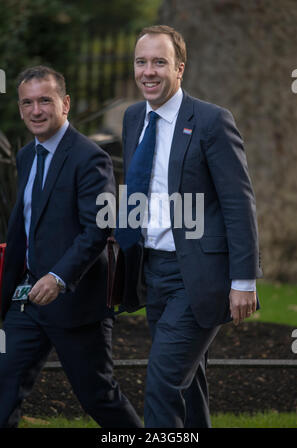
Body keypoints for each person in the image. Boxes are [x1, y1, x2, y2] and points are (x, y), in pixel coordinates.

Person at [115, 25, 262, 428]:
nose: (148, 71)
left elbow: (238, 202)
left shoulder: (212, 121)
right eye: (141, 62)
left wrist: (244, 281)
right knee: (188, 380)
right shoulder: (132, 118)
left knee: (162, 383)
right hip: (152, 271)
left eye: (159, 62)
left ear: (180, 68)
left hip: (198, 275)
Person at [0, 65, 142, 428]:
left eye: (45, 100)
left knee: (99, 396)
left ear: (65, 104)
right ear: (19, 108)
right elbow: (22, 231)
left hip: (75, 301)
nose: (36, 110)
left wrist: (59, 277)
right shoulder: (26, 156)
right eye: (27, 102)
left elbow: (98, 227)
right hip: (27, 301)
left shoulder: (89, 157)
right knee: (3, 385)